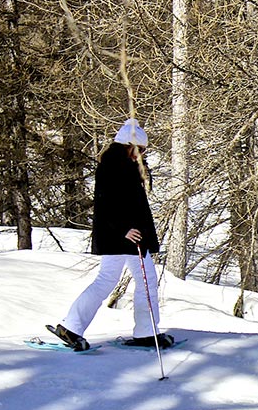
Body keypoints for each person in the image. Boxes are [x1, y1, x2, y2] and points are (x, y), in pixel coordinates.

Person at [50, 118, 173, 352]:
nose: (142, 154)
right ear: (128, 145)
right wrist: (125, 228)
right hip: (127, 236)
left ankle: (71, 326)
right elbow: (106, 204)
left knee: (108, 279)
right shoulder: (114, 167)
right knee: (146, 280)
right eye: (140, 149)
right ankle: (147, 333)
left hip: (122, 235)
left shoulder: (120, 164)